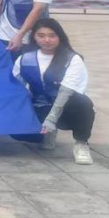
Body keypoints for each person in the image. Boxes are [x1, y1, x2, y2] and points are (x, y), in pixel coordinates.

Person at [12, 18, 95, 165]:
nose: (47, 40)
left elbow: (66, 91)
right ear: (34, 37)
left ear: (60, 36)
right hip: (39, 104)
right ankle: (47, 134)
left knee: (83, 103)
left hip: (65, 107)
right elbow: (16, 86)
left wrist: (51, 120)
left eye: (52, 35)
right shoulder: (25, 58)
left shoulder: (72, 59)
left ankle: (81, 143)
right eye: (41, 36)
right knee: (16, 131)